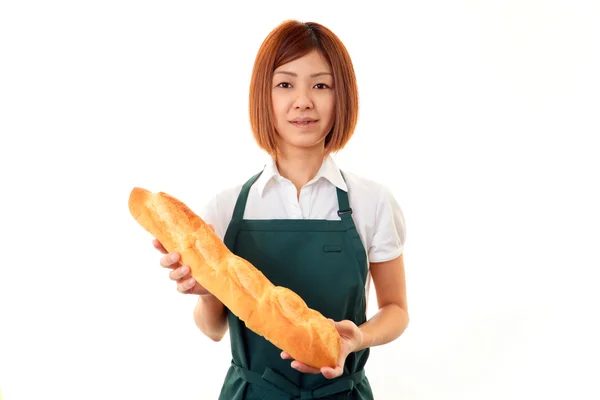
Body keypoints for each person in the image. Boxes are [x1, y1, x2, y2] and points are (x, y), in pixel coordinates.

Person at [153, 20, 409, 400]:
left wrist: (359, 339)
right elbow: (212, 329)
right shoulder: (226, 208)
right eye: (285, 84)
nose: (303, 101)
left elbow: (396, 309)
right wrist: (207, 292)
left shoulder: (370, 202)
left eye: (321, 85)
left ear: (344, 97)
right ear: (264, 96)